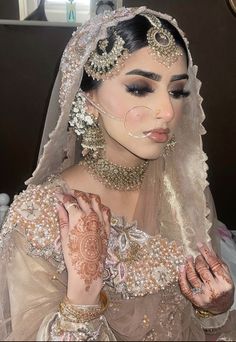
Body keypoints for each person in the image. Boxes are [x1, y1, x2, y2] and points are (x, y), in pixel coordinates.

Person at [0, 6, 235, 341]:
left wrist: (212, 308)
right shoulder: (40, 215)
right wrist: (82, 298)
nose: (167, 111)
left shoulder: (182, 195)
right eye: (140, 87)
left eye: (177, 90)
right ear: (88, 100)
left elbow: (192, 324)